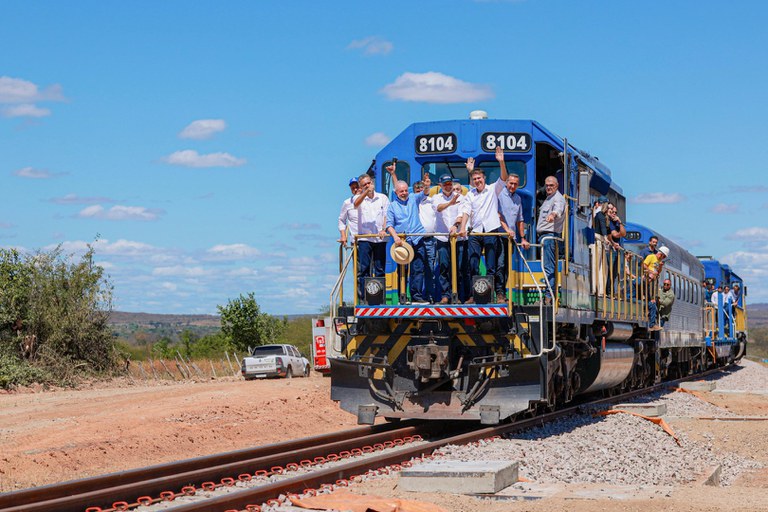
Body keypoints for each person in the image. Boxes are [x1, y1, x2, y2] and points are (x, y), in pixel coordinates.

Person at [466, 147, 509, 303]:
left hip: (490, 231)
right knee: (473, 264)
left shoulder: (492, 190)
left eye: (479, 178)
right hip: (475, 232)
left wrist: (501, 162)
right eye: (475, 179)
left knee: (492, 265)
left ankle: (494, 295)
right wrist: (470, 171)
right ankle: (474, 294)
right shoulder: (470, 194)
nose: (478, 181)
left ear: (484, 178)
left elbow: (504, 178)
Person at [385, 166, 430, 304]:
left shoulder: (413, 199)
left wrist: (426, 185)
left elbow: (424, 193)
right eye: (401, 191)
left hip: (417, 238)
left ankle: (416, 296)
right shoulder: (392, 206)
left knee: (418, 268)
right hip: (402, 241)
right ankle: (402, 296)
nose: (404, 193)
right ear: (396, 192)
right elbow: (389, 225)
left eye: (406, 190)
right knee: (402, 270)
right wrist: (395, 237)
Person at [433, 174, 470, 304]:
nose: (448, 186)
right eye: (445, 184)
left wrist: (455, 225)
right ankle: (445, 295)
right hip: (442, 238)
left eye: (450, 184)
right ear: (440, 185)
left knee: (459, 267)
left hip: (457, 238)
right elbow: (438, 208)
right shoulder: (436, 198)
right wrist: (450, 203)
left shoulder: (461, 197)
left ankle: (457, 295)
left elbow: (461, 215)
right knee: (444, 266)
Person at [354, 173, 390, 302]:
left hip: (380, 238)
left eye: (369, 183)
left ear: (372, 183)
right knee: (364, 269)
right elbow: (355, 204)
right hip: (365, 238)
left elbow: (386, 215)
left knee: (380, 268)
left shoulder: (382, 198)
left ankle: (379, 298)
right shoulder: (358, 198)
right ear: (361, 187)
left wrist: (383, 229)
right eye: (364, 185)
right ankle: (365, 298)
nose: (368, 186)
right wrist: (365, 193)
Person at [497, 170, 530, 303]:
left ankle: (502, 293)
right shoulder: (499, 195)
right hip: (499, 235)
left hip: (510, 239)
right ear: (506, 183)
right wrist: (507, 230)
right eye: (511, 183)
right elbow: (498, 215)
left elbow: (520, 220)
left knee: (506, 266)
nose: (512, 186)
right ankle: (498, 293)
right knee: (499, 265)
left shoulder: (518, 199)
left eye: (515, 184)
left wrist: (523, 238)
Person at [536, 175, 566, 303]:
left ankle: (549, 297)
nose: (548, 187)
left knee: (549, 267)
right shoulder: (549, 198)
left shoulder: (558, 199)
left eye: (551, 185)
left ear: (557, 186)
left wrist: (553, 215)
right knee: (547, 267)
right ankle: (548, 295)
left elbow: (557, 210)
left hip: (549, 237)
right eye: (547, 185)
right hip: (544, 237)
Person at [414, 179, 438, 302]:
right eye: (417, 189)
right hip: (416, 240)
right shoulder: (412, 203)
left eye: (421, 189)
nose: (420, 191)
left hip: (430, 240)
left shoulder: (431, 202)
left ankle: (429, 295)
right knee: (417, 269)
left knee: (430, 269)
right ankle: (416, 296)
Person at [642, 245, 668, 331]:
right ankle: (652, 325)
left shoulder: (659, 261)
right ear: (660, 254)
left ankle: (653, 323)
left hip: (653, 281)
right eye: (663, 256)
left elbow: (658, 271)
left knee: (654, 304)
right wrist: (651, 272)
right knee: (652, 305)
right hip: (648, 279)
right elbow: (644, 265)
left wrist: (660, 266)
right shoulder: (651, 256)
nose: (663, 258)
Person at [606, 203, 626, 294]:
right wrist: (619, 233)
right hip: (611, 249)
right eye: (612, 212)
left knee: (614, 272)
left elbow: (624, 234)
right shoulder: (609, 222)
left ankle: (611, 289)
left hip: (617, 250)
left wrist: (620, 223)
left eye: (615, 212)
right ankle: (608, 290)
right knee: (610, 270)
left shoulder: (616, 223)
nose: (614, 214)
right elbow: (615, 234)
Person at [338, 177, 360, 246]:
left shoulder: (369, 200)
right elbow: (341, 220)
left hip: (370, 238)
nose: (355, 189)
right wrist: (343, 235)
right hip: (355, 240)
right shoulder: (347, 203)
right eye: (353, 188)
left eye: (357, 187)